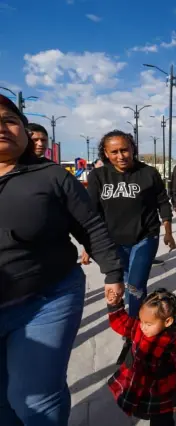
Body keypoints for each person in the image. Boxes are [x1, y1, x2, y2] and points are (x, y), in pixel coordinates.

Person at [0, 94, 124, 425]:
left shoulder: (52, 175)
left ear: (25, 131)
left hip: (47, 298)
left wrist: (113, 271)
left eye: (9, 120)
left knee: (34, 397)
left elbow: (91, 226)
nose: (1, 127)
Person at [83, 130, 176, 320]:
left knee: (135, 284)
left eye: (124, 150)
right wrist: (88, 244)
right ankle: (129, 321)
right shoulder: (98, 176)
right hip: (113, 240)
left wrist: (168, 231)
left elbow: (162, 202)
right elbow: (92, 211)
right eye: (114, 152)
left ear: (132, 149)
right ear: (106, 154)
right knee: (124, 281)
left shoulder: (148, 173)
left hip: (145, 236)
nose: (120, 156)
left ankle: (134, 328)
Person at [106, 288, 176, 426]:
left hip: (161, 390)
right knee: (141, 407)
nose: (143, 327)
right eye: (141, 321)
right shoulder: (139, 328)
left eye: (149, 324)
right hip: (138, 383)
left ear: (168, 321)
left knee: (162, 419)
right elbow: (122, 323)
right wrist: (115, 305)